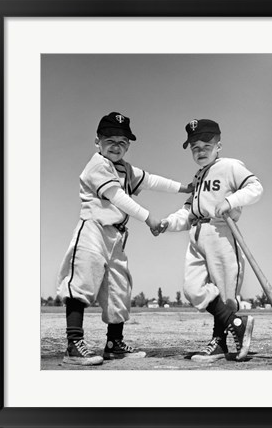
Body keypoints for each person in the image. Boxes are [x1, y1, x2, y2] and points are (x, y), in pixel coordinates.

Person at [57, 111, 192, 366]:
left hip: (116, 236)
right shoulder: (97, 164)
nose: (116, 146)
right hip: (93, 230)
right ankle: (73, 344)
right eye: (110, 140)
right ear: (97, 141)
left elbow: (151, 180)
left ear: (128, 145)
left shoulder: (125, 168)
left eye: (122, 141)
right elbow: (117, 196)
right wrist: (149, 217)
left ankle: (113, 344)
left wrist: (184, 187)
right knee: (81, 282)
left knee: (119, 288)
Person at [153, 118, 263, 362]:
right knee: (192, 288)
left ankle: (220, 343)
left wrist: (230, 201)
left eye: (206, 145)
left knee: (225, 293)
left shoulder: (230, 166)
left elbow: (255, 187)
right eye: (195, 147)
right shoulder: (199, 176)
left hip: (221, 231)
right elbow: (188, 211)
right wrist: (168, 223)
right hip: (197, 232)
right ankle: (236, 324)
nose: (200, 151)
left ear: (218, 145)